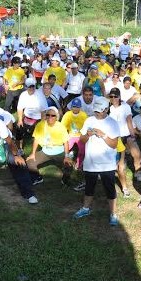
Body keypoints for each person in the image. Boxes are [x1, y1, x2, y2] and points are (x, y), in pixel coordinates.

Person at [72, 97, 120, 226]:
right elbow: (81, 140)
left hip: (107, 164)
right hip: (91, 161)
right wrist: (87, 135)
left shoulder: (112, 123)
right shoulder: (89, 120)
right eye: (96, 111)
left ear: (106, 109)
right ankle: (86, 208)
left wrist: (103, 135)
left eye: (100, 112)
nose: (98, 114)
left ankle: (113, 213)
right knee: (89, 187)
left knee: (110, 189)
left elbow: (114, 144)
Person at [26, 106, 73, 186]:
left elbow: (66, 142)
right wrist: (33, 153)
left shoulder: (61, 126)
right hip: (45, 151)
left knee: (69, 164)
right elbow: (36, 139)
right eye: (48, 115)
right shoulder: (40, 125)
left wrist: (67, 156)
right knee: (29, 162)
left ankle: (65, 180)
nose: (50, 117)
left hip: (59, 151)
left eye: (53, 115)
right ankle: (37, 178)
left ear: (57, 117)